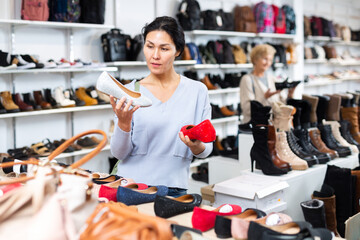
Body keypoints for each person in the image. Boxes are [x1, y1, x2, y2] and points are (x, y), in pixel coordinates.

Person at [109, 16, 212, 197]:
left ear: (177, 51)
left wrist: (196, 147)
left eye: (164, 48)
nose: (155, 55)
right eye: (150, 46)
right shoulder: (131, 92)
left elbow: (207, 148)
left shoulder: (197, 91)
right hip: (133, 189)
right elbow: (119, 153)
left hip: (176, 190)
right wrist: (123, 124)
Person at [239, 44, 295, 124]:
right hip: (255, 128)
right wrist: (264, 97)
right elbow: (246, 109)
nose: (268, 63)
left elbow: (282, 104)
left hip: (272, 125)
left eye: (270, 60)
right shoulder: (247, 79)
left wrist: (290, 94)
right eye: (265, 59)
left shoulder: (272, 78)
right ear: (255, 59)